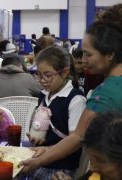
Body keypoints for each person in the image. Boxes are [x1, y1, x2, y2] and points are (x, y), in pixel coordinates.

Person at [21, 3, 122, 173]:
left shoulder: (107, 93)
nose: (84, 60)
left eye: (89, 54)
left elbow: (78, 137)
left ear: (110, 54)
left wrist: (38, 161)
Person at [27, 45, 86, 179]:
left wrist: (46, 150)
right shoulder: (43, 94)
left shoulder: (76, 100)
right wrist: (37, 137)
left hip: (61, 167)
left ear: (64, 72)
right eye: (38, 74)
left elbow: (74, 143)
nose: (42, 80)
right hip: (40, 159)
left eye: (47, 75)